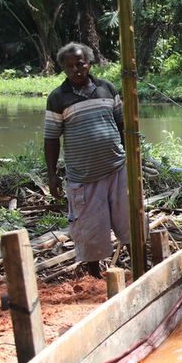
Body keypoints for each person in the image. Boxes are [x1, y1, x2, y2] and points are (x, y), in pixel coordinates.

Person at [44, 43, 130, 278]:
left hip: (116, 169)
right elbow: (51, 139)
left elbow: (122, 125)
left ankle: (140, 267)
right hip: (84, 177)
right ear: (63, 68)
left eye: (80, 63)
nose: (76, 69)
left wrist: (129, 156)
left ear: (89, 63)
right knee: (90, 230)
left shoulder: (107, 88)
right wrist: (52, 176)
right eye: (69, 66)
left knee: (130, 222)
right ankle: (94, 279)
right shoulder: (57, 98)